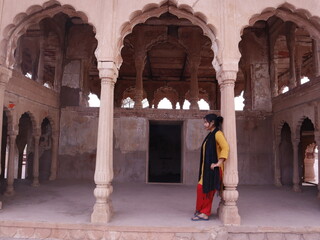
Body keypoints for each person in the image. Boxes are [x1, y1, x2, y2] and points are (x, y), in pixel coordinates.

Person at [191, 113, 229, 221]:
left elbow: (225, 147)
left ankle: (205, 213)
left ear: (212, 123)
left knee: (208, 191)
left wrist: (218, 163)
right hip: (206, 169)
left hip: (213, 169)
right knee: (201, 188)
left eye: (206, 122)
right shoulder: (211, 134)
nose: (204, 124)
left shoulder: (217, 134)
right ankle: (201, 210)